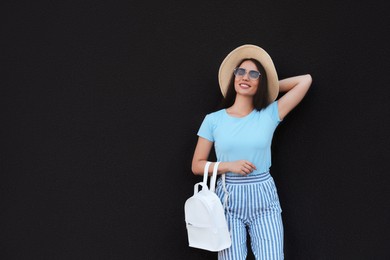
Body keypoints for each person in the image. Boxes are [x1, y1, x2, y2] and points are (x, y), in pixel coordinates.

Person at [191, 44, 312, 260]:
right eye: (241, 72)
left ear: (261, 82)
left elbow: (306, 80)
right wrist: (229, 166)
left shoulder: (269, 114)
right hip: (228, 199)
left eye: (254, 74)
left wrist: (269, 88)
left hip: (264, 196)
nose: (245, 77)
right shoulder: (213, 120)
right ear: (233, 77)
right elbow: (197, 165)